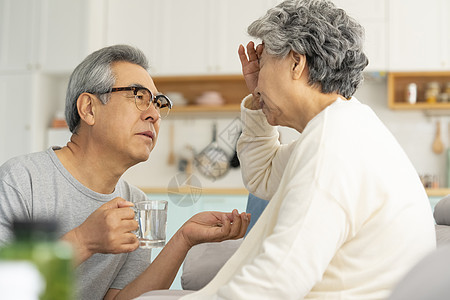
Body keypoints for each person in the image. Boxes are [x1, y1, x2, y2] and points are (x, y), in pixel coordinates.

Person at [181, 0, 436, 299]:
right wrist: (258, 96)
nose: (257, 76)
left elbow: (276, 282)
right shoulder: (345, 126)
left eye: (263, 63)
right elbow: (263, 176)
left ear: (296, 62)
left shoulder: (333, 144)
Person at [0, 44, 250, 300]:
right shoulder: (21, 181)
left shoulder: (136, 203)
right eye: (139, 96)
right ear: (88, 108)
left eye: (157, 103)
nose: (154, 114)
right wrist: (84, 240)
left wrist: (183, 239)